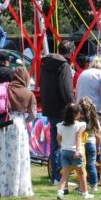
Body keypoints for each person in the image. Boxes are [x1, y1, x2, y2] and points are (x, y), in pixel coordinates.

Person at [0, 66, 37, 198]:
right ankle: (18, 188)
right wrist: (24, 120)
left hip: (2, 124)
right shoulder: (28, 93)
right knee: (18, 157)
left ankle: (2, 188)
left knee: (2, 157)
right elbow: (33, 114)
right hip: (18, 125)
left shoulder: (5, 89)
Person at [39, 40, 76, 184]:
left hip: (50, 108)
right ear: (71, 53)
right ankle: (60, 175)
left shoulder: (46, 64)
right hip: (62, 109)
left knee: (55, 143)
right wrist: (72, 106)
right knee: (63, 143)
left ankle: (56, 175)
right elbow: (67, 90)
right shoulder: (64, 66)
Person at [55, 103, 92, 200]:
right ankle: (85, 193)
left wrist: (62, 145)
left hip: (64, 152)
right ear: (76, 114)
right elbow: (78, 138)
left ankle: (60, 191)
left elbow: (58, 138)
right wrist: (77, 150)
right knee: (81, 174)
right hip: (74, 152)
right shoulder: (79, 125)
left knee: (65, 173)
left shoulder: (60, 126)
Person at [79, 98, 101, 191]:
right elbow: (98, 135)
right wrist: (99, 146)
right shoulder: (94, 118)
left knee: (81, 166)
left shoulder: (78, 119)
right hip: (91, 144)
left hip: (81, 144)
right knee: (91, 165)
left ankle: (81, 185)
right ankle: (94, 185)